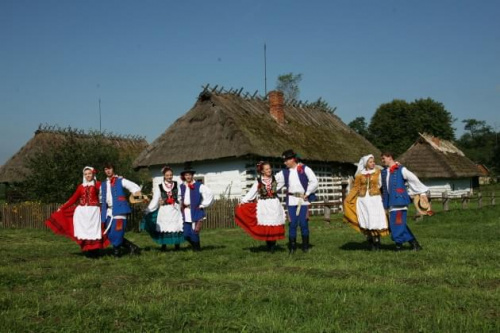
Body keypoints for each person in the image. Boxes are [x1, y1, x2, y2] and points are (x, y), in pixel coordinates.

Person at [45, 166, 109, 258]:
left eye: (89, 174)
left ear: (93, 174)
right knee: (85, 231)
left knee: (94, 231)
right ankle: (89, 251)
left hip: (94, 211)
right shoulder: (81, 187)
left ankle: (95, 251)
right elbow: (73, 199)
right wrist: (62, 208)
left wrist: (116, 178)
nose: (88, 176)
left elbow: (108, 189)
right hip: (82, 212)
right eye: (86, 174)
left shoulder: (98, 184)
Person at [380, 152, 428, 251]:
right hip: (390, 203)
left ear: (390, 157)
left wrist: (422, 193)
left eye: (383, 158)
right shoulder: (384, 172)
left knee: (397, 225)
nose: (382, 161)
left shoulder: (401, 169)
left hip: (399, 202)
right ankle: (414, 244)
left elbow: (413, 179)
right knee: (399, 225)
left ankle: (399, 245)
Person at [235, 161, 286, 252]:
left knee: (274, 225)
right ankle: (269, 245)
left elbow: (285, 175)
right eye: (266, 169)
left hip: (274, 204)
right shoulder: (258, 182)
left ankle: (273, 246)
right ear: (262, 171)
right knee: (266, 226)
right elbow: (252, 193)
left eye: (270, 168)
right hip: (264, 205)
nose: (269, 170)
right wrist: (243, 201)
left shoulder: (276, 179)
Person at [275, 149, 318, 253]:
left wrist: (307, 193)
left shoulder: (304, 168)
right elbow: (274, 182)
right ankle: (292, 247)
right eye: (284, 161)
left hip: (303, 200)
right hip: (291, 201)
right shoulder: (284, 172)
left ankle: (305, 246)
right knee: (292, 224)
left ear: (292, 159)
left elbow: (314, 181)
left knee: (303, 223)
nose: (285, 163)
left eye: (286, 160)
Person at [343, 154, 389, 250]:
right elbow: (356, 188)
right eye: (371, 162)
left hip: (375, 199)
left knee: (375, 219)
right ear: (366, 163)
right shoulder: (360, 175)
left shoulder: (378, 172)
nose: (373, 163)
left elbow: (381, 184)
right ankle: (371, 241)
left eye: (373, 161)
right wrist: (348, 198)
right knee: (366, 219)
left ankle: (377, 242)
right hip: (363, 200)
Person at [101, 162, 142, 257]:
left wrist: (135, 199)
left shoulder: (120, 180)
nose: (108, 171)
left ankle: (117, 252)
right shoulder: (103, 184)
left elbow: (135, 188)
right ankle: (132, 247)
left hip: (120, 210)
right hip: (108, 212)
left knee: (117, 231)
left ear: (113, 169)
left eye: (110, 168)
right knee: (108, 233)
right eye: (106, 169)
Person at [141, 166, 185, 251]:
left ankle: (177, 245)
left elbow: (179, 197)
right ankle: (164, 245)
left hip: (175, 210)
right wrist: (148, 210)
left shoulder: (176, 184)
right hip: (164, 210)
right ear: (164, 176)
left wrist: (178, 203)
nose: (169, 177)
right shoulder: (160, 186)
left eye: (171, 175)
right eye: (167, 175)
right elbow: (155, 199)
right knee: (164, 227)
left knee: (175, 226)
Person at [179, 168, 214, 251]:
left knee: (195, 231)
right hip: (186, 211)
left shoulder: (199, 185)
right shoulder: (182, 186)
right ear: (184, 176)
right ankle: (195, 245)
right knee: (186, 234)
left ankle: (197, 248)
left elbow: (209, 194)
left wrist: (203, 205)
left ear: (192, 175)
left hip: (195, 211)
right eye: (186, 175)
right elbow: (179, 197)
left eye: (189, 175)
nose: (188, 176)